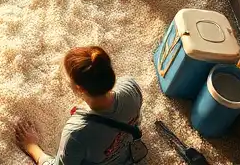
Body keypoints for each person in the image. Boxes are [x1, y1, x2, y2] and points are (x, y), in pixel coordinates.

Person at [14, 46, 145, 165]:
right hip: (128, 150)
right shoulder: (130, 86)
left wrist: (31, 146)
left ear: (80, 88)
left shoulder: (76, 133)